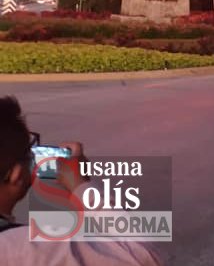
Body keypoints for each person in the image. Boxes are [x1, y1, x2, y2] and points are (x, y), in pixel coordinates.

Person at [0, 96, 162, 265]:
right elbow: (143, 255)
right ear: (16, 175)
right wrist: (81, 185)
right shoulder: (23, 248)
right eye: (29, 154)